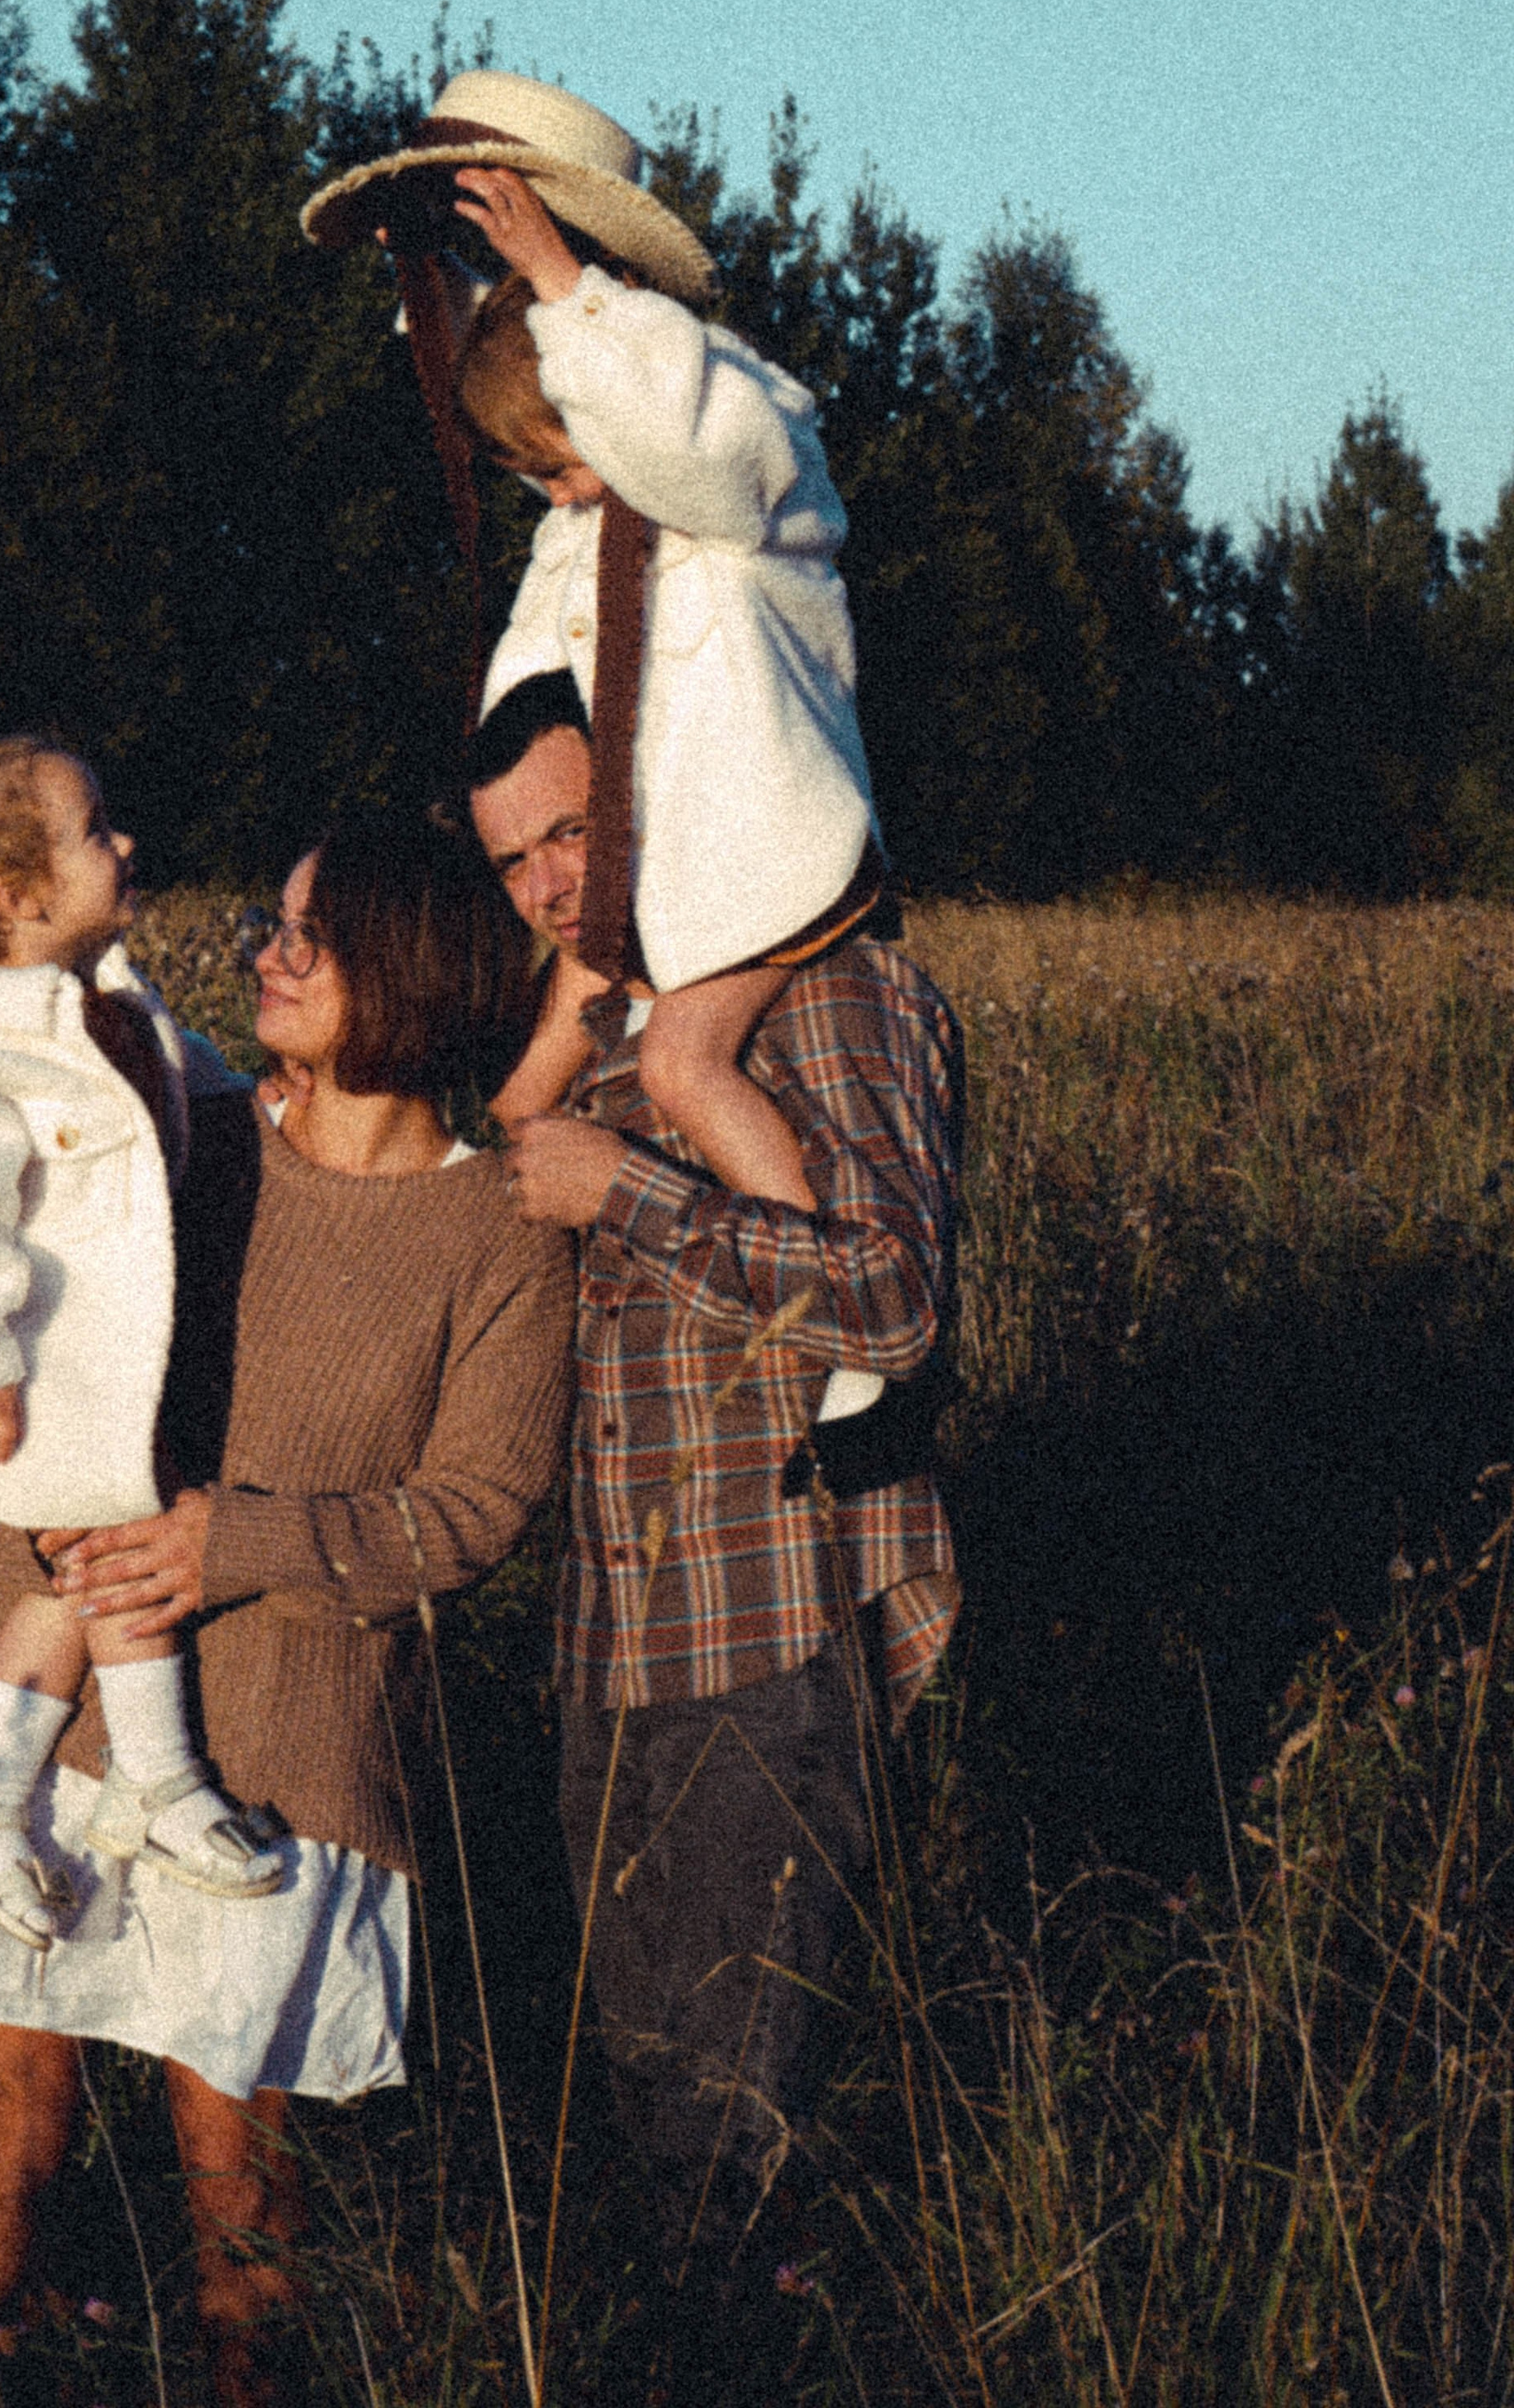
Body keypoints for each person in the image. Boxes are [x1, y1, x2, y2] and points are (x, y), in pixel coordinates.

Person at [0, 809, 574, 2401]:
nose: (269, 953)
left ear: (409, 967)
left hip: (284, 1757)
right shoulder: (189, 1141)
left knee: (241, 2197)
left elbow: (478, 1510)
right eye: (272, 925)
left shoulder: (502, 1234)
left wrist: (245, 1545)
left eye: (310, 932)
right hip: (46, 1705)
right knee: (12, 2122)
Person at [464, 673, 962, 2326]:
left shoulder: (825, 997)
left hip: (770, 1641)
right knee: (651, 2128)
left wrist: (632, 1191)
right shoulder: (608, 1031)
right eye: (509, 862)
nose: (543, 885)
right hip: (609, 1662)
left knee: (747, 2161)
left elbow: (891, 1306)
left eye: (565, 832)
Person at [302, 67, 883, 1221]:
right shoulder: (590, 506)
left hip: (773, 855)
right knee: (527, 1100)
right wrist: (424, 267)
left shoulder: (736, 441)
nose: (557, 499)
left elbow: (673, 443)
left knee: (680, 1064)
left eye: (559, 469)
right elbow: (519, 385)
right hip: (665, 868)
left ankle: (822, 1288)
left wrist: (564, 289)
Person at [0, 721, 279, 1943]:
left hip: (63, 1371)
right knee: (125, 1536)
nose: (126, 842)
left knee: (87, 1562)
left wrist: (249, 1105)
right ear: (21, 899)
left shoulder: (109, 1012)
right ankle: (157, 1777)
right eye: (95, 832)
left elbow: (184, 1086)